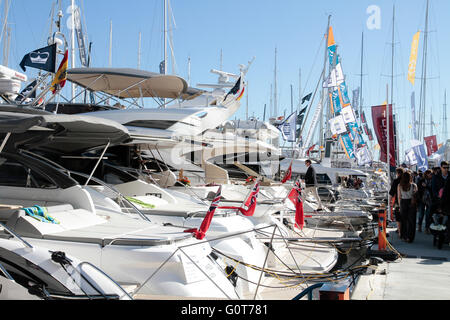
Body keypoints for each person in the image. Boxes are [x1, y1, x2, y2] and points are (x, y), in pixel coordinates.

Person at [397, 170, 418, 243]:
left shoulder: (400, 185)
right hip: (412, 203)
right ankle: (410, 237)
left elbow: (399, 197)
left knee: (404, 220)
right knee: (412, 221)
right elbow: (415, 196)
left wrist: (400, 206)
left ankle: (404, 236)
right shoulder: (414, 185)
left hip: (403, 202)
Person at [431, 161, 449, 228]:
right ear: (441, 168)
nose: (446, 169)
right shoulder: (436, 177)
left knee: (446, 221)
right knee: (437, 220)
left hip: (448, 202)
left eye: (448, 167)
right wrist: (438, 196)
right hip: (438, 201)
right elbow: (433, 189)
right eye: (444, 168)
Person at [389, 168, 404, 234]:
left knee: (398, 216)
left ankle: (399, 230)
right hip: (407, 201)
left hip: (398, 201)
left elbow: (392, 192)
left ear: (398, 173)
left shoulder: (396, 181)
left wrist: (390, 200)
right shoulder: (407, 181)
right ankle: (404, 230)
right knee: (404, 216)